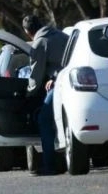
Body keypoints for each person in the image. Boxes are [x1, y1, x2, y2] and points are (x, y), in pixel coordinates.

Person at [23, 14, 69, 176]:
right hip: (74, 81)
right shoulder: (62, 35)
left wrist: (29, 93)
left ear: (27, 32)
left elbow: (36, 74)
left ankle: (50, 164)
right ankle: (63, 159)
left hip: (60, 84)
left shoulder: (39, 43)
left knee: (44, 118)